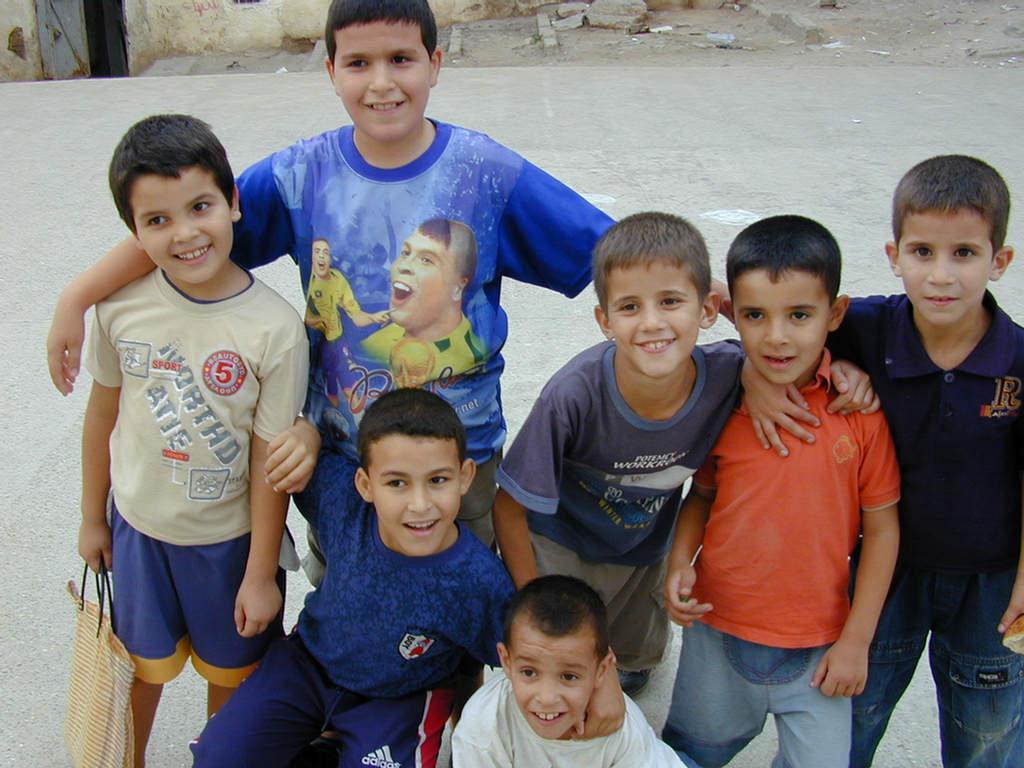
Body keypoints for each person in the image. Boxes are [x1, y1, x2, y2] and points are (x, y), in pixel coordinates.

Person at [45, 0, 614, 552]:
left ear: (435, 64)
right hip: (343, 457)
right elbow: (184, 221)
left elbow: (608, 246)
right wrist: (77, 297)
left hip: (457, 461)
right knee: (344, 609)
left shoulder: (484, 172)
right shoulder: (301, 174)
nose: (382, 83)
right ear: (331, 71)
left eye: (401, 59)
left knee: (456, 604)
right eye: (359, 63)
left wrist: (695, 283)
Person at [77, 114, 309, 767]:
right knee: (138, 673)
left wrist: (262, 574)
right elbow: (101, 415)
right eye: (157, 220)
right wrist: (92, 517)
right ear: (134, 231)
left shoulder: (275, 329)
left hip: (229, 546)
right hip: (139, 534)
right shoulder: (119, 308)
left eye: (201, 206)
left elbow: (270, 459)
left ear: (233, 203)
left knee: (230, 683)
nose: (184, 233)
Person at [661, 215, 901, 768]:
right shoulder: (724, 404)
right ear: (732, 315)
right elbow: (701, 497)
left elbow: (884, 529)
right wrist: (678, 563)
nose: (776, 336)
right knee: (691, 753)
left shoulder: (857, 414)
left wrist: (857, 641)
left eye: (799, 315)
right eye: (754, 316)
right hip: (718, 633)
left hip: (820, 645)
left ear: (835, 314)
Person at [190, 388, 515, 768]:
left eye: (437, 480)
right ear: (365, 485)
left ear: (464, 476)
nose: (420, 504)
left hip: (400, 699)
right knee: (218, 758)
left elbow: (524, 656)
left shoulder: (479, 582)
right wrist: (306, 432)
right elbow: (272, 441)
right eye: (396, 483)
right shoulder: (339, 496)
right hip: (309, 665)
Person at [823, 156, 1023, 768]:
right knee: (846, 723)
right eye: (922, 252)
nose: (941, 275)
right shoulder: (863, 327)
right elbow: (772, 326)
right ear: (893, 254)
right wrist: (830, 365)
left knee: (987, 738)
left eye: (964, 252)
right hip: (883, 576)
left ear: (1000, 261)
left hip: (990, 586)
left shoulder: (1017, 358)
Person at [493, 212, 745, 696]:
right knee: (563, 668)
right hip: (561, 546)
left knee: (632, 665)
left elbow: (799, 337)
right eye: (630, 307)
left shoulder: (731, 374)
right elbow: (510, 504)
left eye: (671, 301)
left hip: (644, 550)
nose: (652, 323)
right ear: (604, 321)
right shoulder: (573, 395)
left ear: (709, 308)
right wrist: (531, 596)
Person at [452, 575, 695, 767]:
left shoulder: (619, 728)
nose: (546, 698)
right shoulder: (482, 729)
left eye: (569, 676)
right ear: (505, 660)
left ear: (602, 669)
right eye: (528, 672)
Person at [362, 218, 486, 388]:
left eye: (426, 260)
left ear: (459, 286)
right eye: (405, 253)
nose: (404, 266)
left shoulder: (474, 354)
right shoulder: (373, 344)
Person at [304, 237, 389, 405]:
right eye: (317, 251)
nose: (321, 256)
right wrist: (317, 321)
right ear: (311, 256)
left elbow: (355, 315)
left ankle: (359, 409)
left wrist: (373, 317)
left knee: (346, 379)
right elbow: (308, 319)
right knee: (331, 387)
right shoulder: (310, 279)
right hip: (316, 351)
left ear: (330, 258)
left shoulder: (338, 280)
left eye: (326, 252)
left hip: (337, 341)